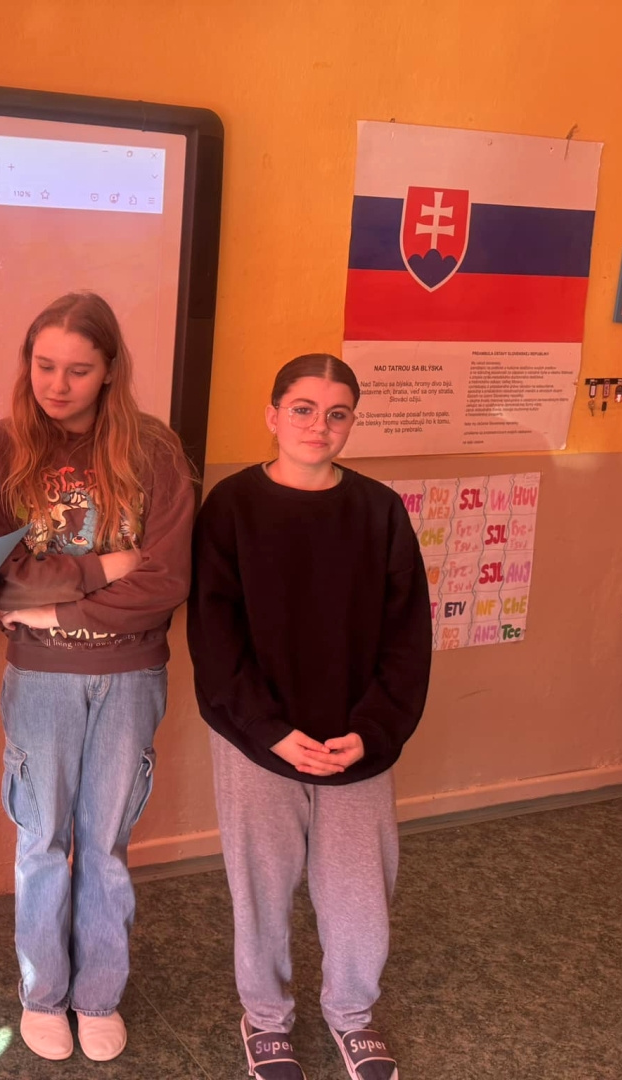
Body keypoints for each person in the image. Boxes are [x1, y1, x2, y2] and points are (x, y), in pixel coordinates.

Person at [187, 353, 432, 1080]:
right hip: (257, 739)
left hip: (356, 741)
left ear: (352, 423)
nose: (318, 426)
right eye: (302, 408)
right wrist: (269, 732)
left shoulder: (379, 510)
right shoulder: (231, 507)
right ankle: (266, 1018)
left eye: (337, 414)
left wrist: (373, 732)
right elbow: (214, 636)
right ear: (272, 415)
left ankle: (352, 1014)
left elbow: (407, 638)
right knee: (261, 888)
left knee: (361, 894)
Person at [0, 291, 195, 1063]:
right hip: (42, 681)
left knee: (106, 845)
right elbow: (2, 578)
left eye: (77, 370)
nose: (57, 385)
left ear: (109, 371)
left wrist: (55, 609)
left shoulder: (155, 450)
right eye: (44, 366)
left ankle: (98, 995)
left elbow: (165, 582)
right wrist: (102, 569)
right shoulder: (0, 448)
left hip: (131, 676)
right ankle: (43, 996)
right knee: (41, 841)